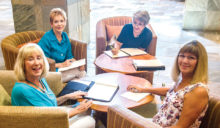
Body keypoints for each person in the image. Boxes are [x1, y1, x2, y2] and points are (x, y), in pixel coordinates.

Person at [127, 40, 209, 128]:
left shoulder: (198, 91)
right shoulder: (183, 78)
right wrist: (143, 89)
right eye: (182, 56)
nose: (185, 61)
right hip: (157, 123)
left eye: (191, 58)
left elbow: (180, 127)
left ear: (200, 62)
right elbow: (171, 91)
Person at [11, 43, 95, 128]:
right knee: (90, 120)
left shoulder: (40, 79)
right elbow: (46, 119)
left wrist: (68, 96)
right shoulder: (22, 90)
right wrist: (77, 110)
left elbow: (50, 104)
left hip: (53, 116)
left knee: (87, 109)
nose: (36, 63)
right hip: (47, 124)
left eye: (39, 58)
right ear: (22, 64)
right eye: (30, 59)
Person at [38, 8, 85, 82]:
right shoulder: (47, 38)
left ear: (65, 22)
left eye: (62, 21)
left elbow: (69, 57)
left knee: (80, 74)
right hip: (52, 72)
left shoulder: (65, 36)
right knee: (81, 74)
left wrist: (78, 64)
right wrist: (61, 64)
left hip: (64, 70)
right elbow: (42, 61)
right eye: (56, 22)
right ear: (51, 24)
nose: (59, 24)